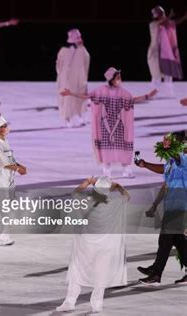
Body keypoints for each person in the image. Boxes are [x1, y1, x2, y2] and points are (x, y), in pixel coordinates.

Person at [61, 67, 157, 178]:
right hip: (105, 125)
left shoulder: (123, 92)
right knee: (106, 148)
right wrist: (71, 93)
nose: (120, 80)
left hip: (119, 125)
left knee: (122, 147)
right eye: (118, 78)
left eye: (120, 78)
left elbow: (132, 100)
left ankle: (127, 169)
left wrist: (148, 96)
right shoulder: (101, 91)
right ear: (111, 79)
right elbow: (88, 96)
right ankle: (106, 172)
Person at [57, 176, 129, 313]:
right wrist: (119, 186)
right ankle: (97, 304)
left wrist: (87, 182)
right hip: (105, 246)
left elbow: (75, 193)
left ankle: (70, 301)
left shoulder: (86, 202)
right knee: (100, 275)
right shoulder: (114, 203)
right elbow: (127, 196)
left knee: (76, 272)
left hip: (86, 245)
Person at [135, 132, 187, 285]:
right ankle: (156, 271)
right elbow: (164, 170)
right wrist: (145, 165)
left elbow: (178, 160)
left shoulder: (183, 158)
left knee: (165, 239)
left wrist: (170, 148)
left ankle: (156, 273)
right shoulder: (173, 159)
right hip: (172, 205)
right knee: (178, 240)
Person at [0, 116, 27, 246]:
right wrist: (18, 169)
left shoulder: (3, 141)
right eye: (4, 126)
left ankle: (3, 236)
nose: (7, 128)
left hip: (6, 180)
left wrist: (19, 165)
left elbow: (9, 159)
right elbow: (0, 162)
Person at [147, 6, 187, 98]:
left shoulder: (165, 24)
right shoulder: (153, 24)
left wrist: (184, 18)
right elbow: (164, 22)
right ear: (157, 16)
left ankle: (169, 93)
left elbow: (173, 23)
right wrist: (170, 16)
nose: (163, 16)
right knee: (156, 75)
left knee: (168, 73)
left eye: (163, 14)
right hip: (155, 54)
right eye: (162, 14)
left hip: (165, 52)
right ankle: (154, 94)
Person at [56, 28, 90, 128]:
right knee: (67, 99)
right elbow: (59, 64)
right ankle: (67, 119)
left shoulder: (81, 50)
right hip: (67, 80)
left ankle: (80, 116)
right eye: (78, 36)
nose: (80, 38)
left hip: (79, 79)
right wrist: (63, 76)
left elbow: (86, 60)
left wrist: (81, 47)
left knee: (80, 97)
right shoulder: (64, 50)